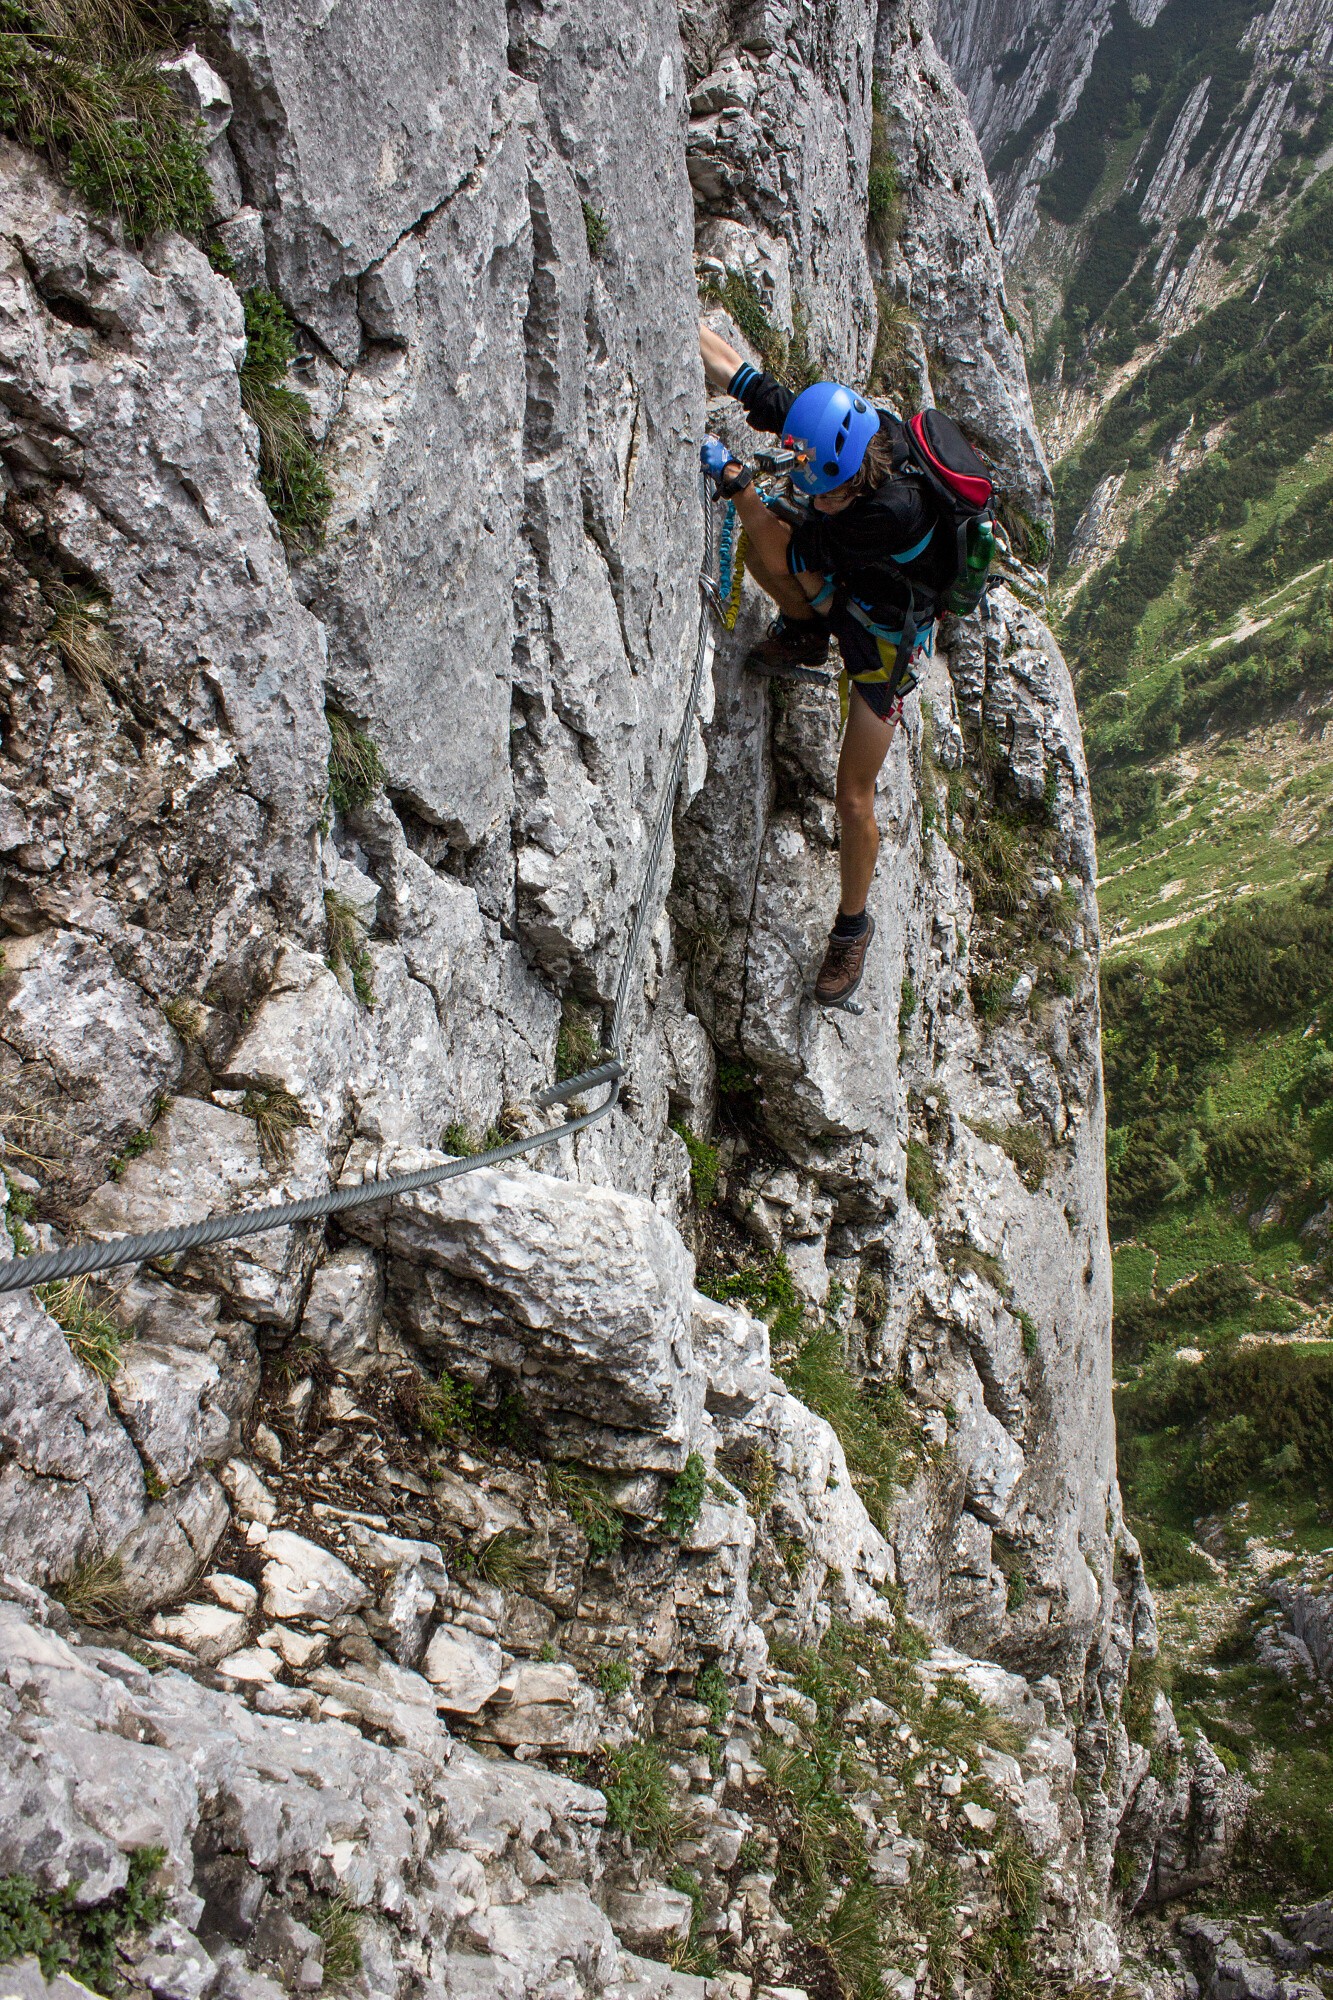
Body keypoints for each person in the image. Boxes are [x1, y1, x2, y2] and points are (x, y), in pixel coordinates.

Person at [699, 319, 955, 1008]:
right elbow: (745, 378)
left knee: (852, 796)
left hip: (884, 643)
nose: (813, 494)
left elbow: (774, 532)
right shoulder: (842, 433)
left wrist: (736, 484)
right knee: (775, 551)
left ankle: (852, 929)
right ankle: (805, 635)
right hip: (856, 589)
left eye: (822, 490)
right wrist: (674, 319)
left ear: (846, 484)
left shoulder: (885, 516)